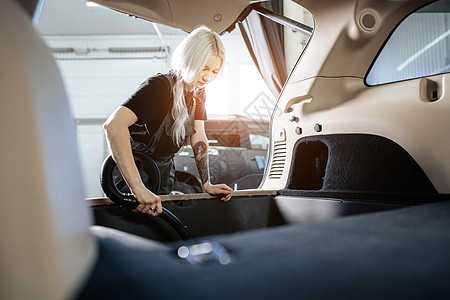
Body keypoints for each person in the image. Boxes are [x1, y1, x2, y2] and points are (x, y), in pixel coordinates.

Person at [103, 25, 233, 216]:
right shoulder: (159, 88)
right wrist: (137, 188)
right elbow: (113, 126)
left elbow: (198, 136)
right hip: (133, 174)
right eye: (204, 68)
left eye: (214, 71)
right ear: (190, 60)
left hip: (163, 173)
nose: (208, 77)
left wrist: (206, 183)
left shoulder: (198, 93)